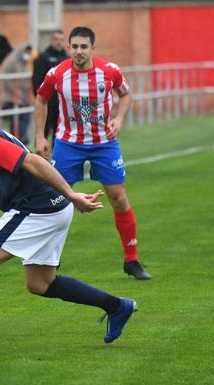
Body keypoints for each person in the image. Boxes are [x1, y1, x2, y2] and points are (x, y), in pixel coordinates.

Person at [0, 84, 137, 358]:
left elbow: (33, 162)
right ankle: (116, 306)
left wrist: (72, 194)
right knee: (40, 284)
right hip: (50, 207)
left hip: (39, 208)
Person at [35, 26, 151, 280]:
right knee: (56, 199)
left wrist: (119, 119)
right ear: (69, 47)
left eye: (83, 46)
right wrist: (41, 136)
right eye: (74, 46)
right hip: (68, 143)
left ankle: (131, 260)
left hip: (104, 143)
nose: (78, 51)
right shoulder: (57, 74)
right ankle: (49, 258)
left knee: (119, 198)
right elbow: (41, 98)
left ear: (92, 48)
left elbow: (125, 94)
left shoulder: (109, 71)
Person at [32, 30, 68, 146]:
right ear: (52, 40)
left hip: (63, 103)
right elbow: (36, 80)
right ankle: (39, 158)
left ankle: (57, 159)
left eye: (61, 40)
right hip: (46, 102)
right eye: (56, 39)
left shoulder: (67, 59)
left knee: (60, 133)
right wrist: (40, 100)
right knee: (43, 131)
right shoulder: (42, 58)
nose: (58, 42)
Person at [0, 44, 33, 144]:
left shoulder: (23, 63)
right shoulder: (11, 62)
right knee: (17, 122)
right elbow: (8, 82)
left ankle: (22, 140)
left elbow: (26, 82)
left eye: (29, 53)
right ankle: (18, 141)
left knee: (25, 117)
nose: (27, 55)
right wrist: (18, 96)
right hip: (11, 98)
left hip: (23, 98)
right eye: (26, 52)